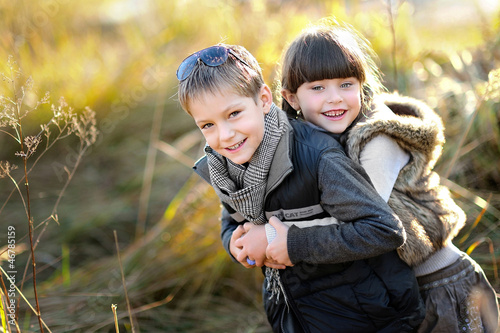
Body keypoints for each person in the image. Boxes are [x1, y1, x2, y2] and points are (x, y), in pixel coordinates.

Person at [176, 43, 425, 332]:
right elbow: (231, 219)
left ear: (264, 99)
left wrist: (291, 244)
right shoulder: (225, 164)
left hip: (367, 316)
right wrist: (234, 242)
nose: (225, 135)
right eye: (207, 125)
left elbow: (384, 230)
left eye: (234, 114)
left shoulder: (317, 157)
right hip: (293, 312)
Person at [276, 20, 499, 332]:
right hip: (395, 291)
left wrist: (284, 241)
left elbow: (361, 220)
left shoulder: (379, 140)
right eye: (317, 88)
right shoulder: (313, 141)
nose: (335, 98)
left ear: (361, 84)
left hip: (441, 283)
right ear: (291, 98)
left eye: (345, 84)